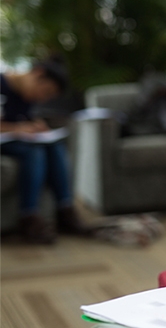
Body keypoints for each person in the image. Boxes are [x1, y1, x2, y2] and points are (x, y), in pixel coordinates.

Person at [0, 55, 89, 244]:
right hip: (6, 142)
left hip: (18, 141)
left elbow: (23, 119)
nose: (43, 98)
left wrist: (35, 125)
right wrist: (17, 128)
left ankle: (65, 210)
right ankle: (28, 217)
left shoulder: (27, 97)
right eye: (46, 91)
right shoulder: (2, 84)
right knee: (34, 152)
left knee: (54, 146)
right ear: (38, 74)